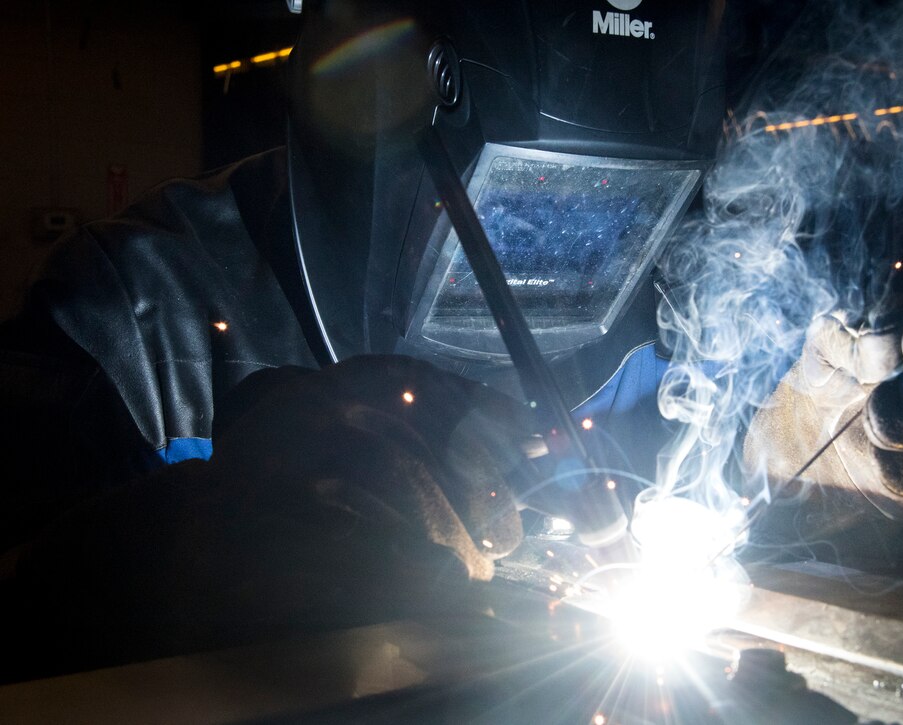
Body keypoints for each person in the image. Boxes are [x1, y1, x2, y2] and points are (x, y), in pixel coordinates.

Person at [0, 0, 749, 682]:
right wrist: (194, 551)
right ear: (378, 134)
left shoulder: (657, 323)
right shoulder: (133, 319)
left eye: (619, 218)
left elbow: (734, 445)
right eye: (519, 210)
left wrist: (795, 425)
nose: (558, 261)